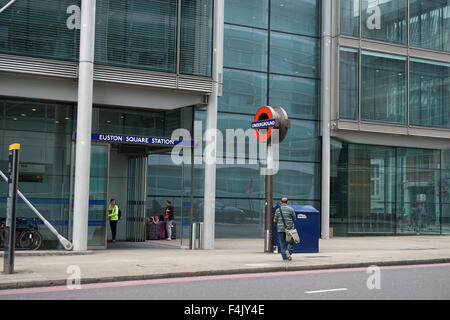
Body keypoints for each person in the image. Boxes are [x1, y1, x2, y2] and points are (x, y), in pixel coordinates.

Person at [273, 197, 296, 261]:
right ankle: (288, 251)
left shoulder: (278, 210)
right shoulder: (291, 209)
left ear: (281, 202)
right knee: (291, 241)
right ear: (287, 202)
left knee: (282, 243)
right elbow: (294, 218)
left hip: (280, 229)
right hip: (289, 229)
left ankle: (284, 258)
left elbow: (275, 220)